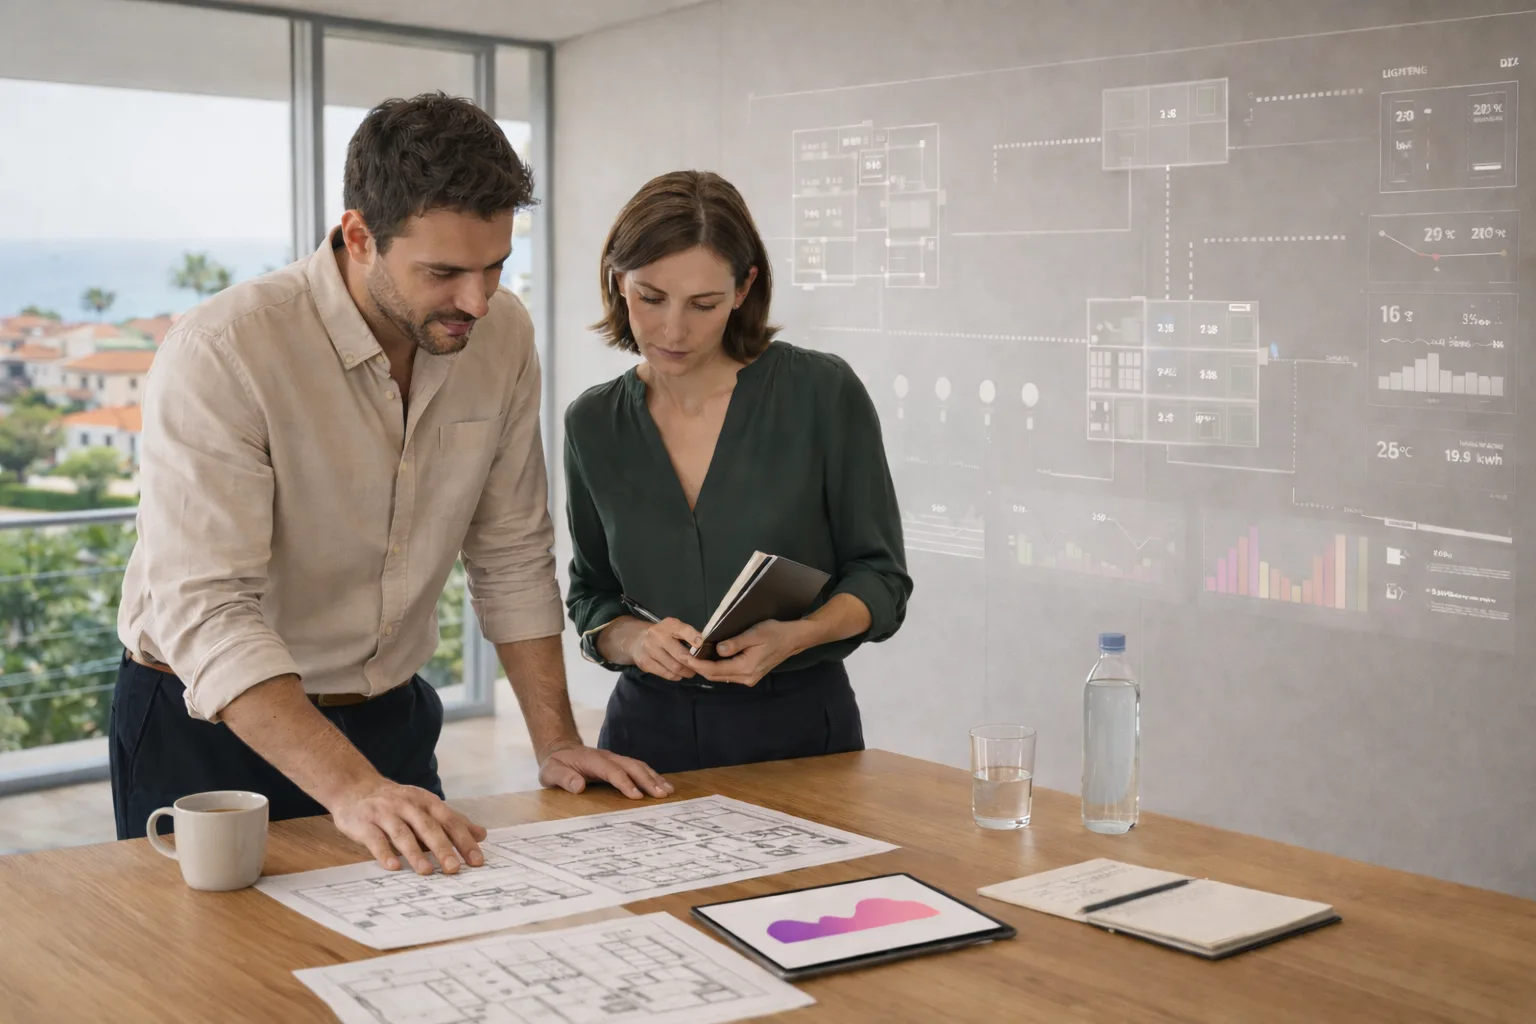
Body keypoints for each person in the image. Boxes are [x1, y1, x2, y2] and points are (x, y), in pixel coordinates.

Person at [112, 93, 670, 877]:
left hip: (391, 724)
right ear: (359, 237)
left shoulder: (500, 333)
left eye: (495, 267)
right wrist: (351, 789)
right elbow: (206, 607)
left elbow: (510, 550)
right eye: (443, 272)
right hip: (207, 729)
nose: (476, 301)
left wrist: (559, 743)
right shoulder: (223, 351)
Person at [564, 170, 913, 775]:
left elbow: (881, 579)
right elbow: (592, 596)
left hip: (801, 729)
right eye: (650, 297)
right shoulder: (593, 423)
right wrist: (634, 642)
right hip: (644, 737)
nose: (674, 331)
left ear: (744, 288)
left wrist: (796, 636)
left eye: (703, 304)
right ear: (618, 281)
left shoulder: (821, 394)